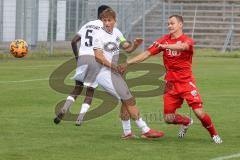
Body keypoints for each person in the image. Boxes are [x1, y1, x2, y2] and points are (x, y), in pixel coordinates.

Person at [118, 15, 222, 144]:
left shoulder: (186, 40)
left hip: (186, 82)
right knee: (168, 118)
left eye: (172, 23)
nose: (169, 26)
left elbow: (183, 47)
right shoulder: (164, 40)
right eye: (168, 24)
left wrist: (165, 46)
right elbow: (146, 54)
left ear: (180, 25)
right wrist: (128, 63)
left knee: (199, 113)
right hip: (171, 84)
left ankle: (214, 135)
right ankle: (186, 122)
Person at [93, 8, 164, 139]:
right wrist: (114, 66)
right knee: (128, 98)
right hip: (102, 73)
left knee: (125, 99)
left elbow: (127, 47)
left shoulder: (117, 32)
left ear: (115, 21)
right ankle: (145, 130)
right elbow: (99, 57)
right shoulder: (98, 35)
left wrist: (135, 45)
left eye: (109, 20)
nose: (107, 23)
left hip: (112, 72)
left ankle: (127, 133)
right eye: (104, 20)